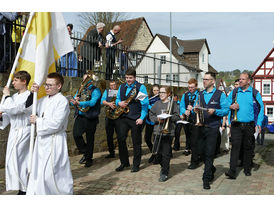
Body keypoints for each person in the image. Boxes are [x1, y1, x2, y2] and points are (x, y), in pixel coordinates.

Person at [27, 72, 73, 195]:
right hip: (41, 141)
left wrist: (38, 120)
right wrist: (32, 93)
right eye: (46, 85)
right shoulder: (42, 100)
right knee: (39, 172)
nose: (46, 87)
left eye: (50, 85)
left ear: (59, 86)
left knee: (51, 173)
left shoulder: (62, 101)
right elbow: (27, 110)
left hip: (54, 141)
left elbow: (56, 124)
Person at [193, 72, 229, 190]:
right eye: (203, 79)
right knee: (201, 153)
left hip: (213, 128)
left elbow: (225, 110)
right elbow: (195, 106)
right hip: (201, 127)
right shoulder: (200, 94)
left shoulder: (220, 95)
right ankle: (212, 168)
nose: (204, 81)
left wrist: (215, 111)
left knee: (209, 153)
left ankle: (206, 178)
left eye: (207, 79)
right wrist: (194, 109)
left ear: (213, 81)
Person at [225, 72, 264, 179]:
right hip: (236, 124)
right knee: (235, 147)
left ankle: (247, 169)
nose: (240, 80)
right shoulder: (234, 92)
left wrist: (259, 123)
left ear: (248, 81)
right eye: (240, 79)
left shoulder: (255, 93)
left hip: (250, 125)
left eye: (243, 79)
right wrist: (231, 106)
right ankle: (232, 171)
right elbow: (225, 104)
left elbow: (261, 109)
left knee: (248, 148)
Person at [0, 71, 31, 195]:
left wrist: (6, 97)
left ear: (24, 81)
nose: (13, 83)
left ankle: (25, 189)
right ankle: (21, 187)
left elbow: (16, 109)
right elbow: (8, 115)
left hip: (24, 130)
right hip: (14, 131)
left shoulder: (30, 96)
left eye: (15, 80)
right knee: (13, 160)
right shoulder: (14, 97)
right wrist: (2, 116)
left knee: (19, 159)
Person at [115, 68, 149, 172]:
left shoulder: (141, 87)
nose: (128, 80)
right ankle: (124, 162)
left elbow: (145, 104)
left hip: (136, 118)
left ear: (134, 77)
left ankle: (136, 164)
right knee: (121, 139)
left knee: (136, 142)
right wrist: (119, 103)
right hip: (123, 117)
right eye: (126, 78)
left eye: (130, 78)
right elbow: (117, 99)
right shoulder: (121, 87)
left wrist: (141, 118)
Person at [70, 72, 101, 167]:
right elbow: (73, 102)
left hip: (91, 117)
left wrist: (79, 103)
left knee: (90, 138)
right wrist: (74, 101)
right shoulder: (80, 90)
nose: (84, 81)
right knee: (76, 134)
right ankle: (86, 152)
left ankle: (88, 159)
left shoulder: (96, 91)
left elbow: (92, 103)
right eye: (84, 79)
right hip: (80, 116)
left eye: (87, 79)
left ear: (92, 80)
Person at [149, 86, 180, 182]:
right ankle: (164, 167)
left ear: (168, 94)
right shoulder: (157, 103)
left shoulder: (173, 104)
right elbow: (151, 114)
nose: (161, 94)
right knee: (157, 154)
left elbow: (177, 116)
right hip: (157, 131)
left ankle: (164, 172)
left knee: (166, 154)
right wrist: (157, 120)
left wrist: (169, 117)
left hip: (168, 132)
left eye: (163, 92)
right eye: (160, 92)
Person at [178, 79, 199, 157]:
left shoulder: (199, 95)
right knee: (187, 134)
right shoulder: (185, 95)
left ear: (196, 86)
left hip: (195, 119)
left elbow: (198, 106)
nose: (190, 89)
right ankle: (187, 148)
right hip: (187, 119)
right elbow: (181, 106)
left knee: (194, 136)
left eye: (192, 87)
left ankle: (194, 150)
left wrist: (192, 109)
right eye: (189, 87)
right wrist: (184, 111)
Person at [101, 80, 118, 158]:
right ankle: (111, 153)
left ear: (116, 85)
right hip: (109, 116)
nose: (113, 87)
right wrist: (109, 104)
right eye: (111, 85)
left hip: (118, 116)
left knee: (120, 135)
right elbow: (102, 101)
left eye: (114, 85)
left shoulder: (119, 91)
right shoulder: (107, 91)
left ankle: (122, 151)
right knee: (109, 135)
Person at [145, 84, 160, 163]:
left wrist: (150, 106)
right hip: (148, 121)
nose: (156, 92)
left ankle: (156, 156)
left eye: (157, 90)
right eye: (154, 90)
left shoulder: (160, 99)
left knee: (156, 140)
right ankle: (153, 153)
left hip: (156, 122)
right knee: (147, 139)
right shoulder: (149, 98)